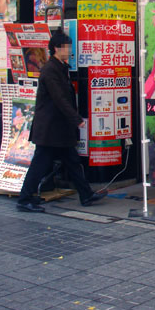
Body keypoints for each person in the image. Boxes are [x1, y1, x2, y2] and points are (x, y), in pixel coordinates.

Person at [17, 31, 106, 212]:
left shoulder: (61, 67)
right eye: (66, 47)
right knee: (40, 163)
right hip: (50, 129)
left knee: (72, 161)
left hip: (59, 128)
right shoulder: (50, 70)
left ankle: (86, 194)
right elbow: (59, 99)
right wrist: (76, 119)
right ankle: (24, 199)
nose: (69, 50)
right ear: (57, 49)